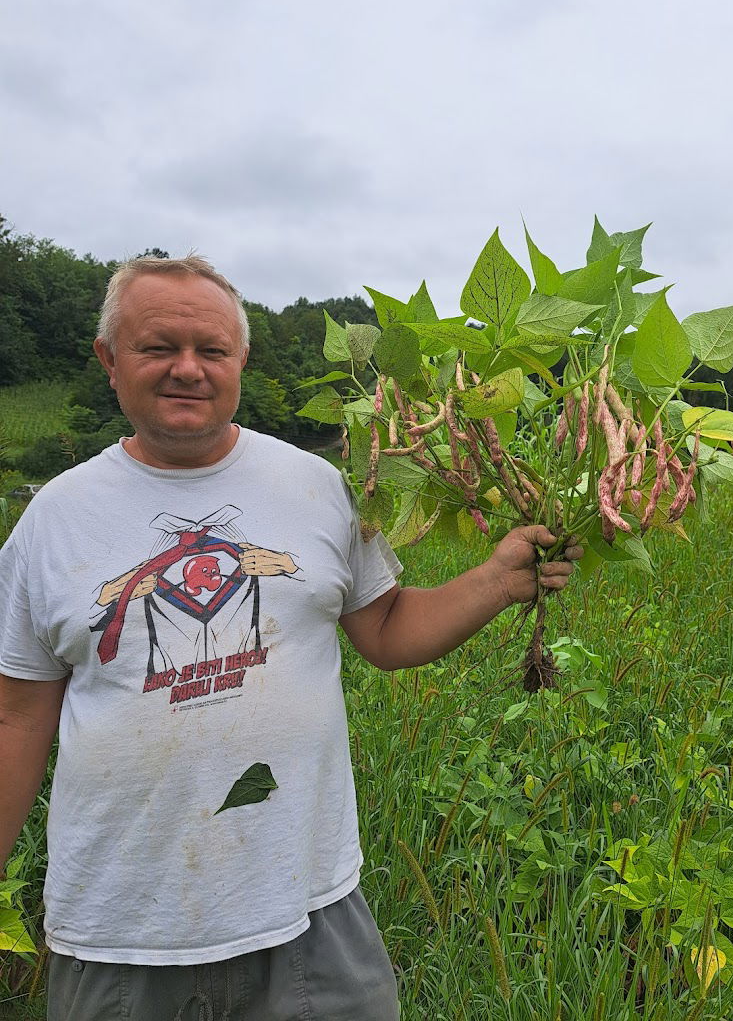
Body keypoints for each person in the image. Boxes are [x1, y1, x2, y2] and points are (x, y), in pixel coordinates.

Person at [0, 256, 582, 1021]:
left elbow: (384, 627)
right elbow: (17, 715)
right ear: (110, 360)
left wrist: (501, 581)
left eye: (211, 351)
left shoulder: (315, 485)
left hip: (311, 913)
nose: (187, 369)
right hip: (124, 935)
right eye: (156, 347)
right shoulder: (54, 517)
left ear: (241, 360)